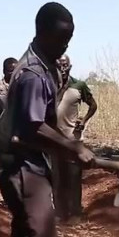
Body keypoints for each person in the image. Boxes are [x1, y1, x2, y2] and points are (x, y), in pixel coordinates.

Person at [0, 2, 93, 237]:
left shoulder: (45, 64)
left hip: (31, 157)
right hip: (19, 161)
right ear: (43, 33)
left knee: (28, 228)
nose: (66, 45)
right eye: (61, 38)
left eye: (70, 38)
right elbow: (32, 126)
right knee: (39, 229)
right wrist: (72, 146)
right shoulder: (33, 73)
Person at [51, 54, 98, 220]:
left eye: (65, 65)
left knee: (73, 178)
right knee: (57, 178)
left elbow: (93, 105)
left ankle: (75, 213)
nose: (62, 68)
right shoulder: (50, 85)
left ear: (70, 66)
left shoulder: (78, 85)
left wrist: (84, 120)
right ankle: (60, 212)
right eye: (59, 65)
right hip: (54, 141)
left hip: (73, 140)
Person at [0, 57, 18, 135]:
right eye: (11, 71)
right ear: (4, 71)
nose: (14, 73)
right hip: (2, 132)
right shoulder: (0, 87)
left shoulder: (17, 85)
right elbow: (7, 108)